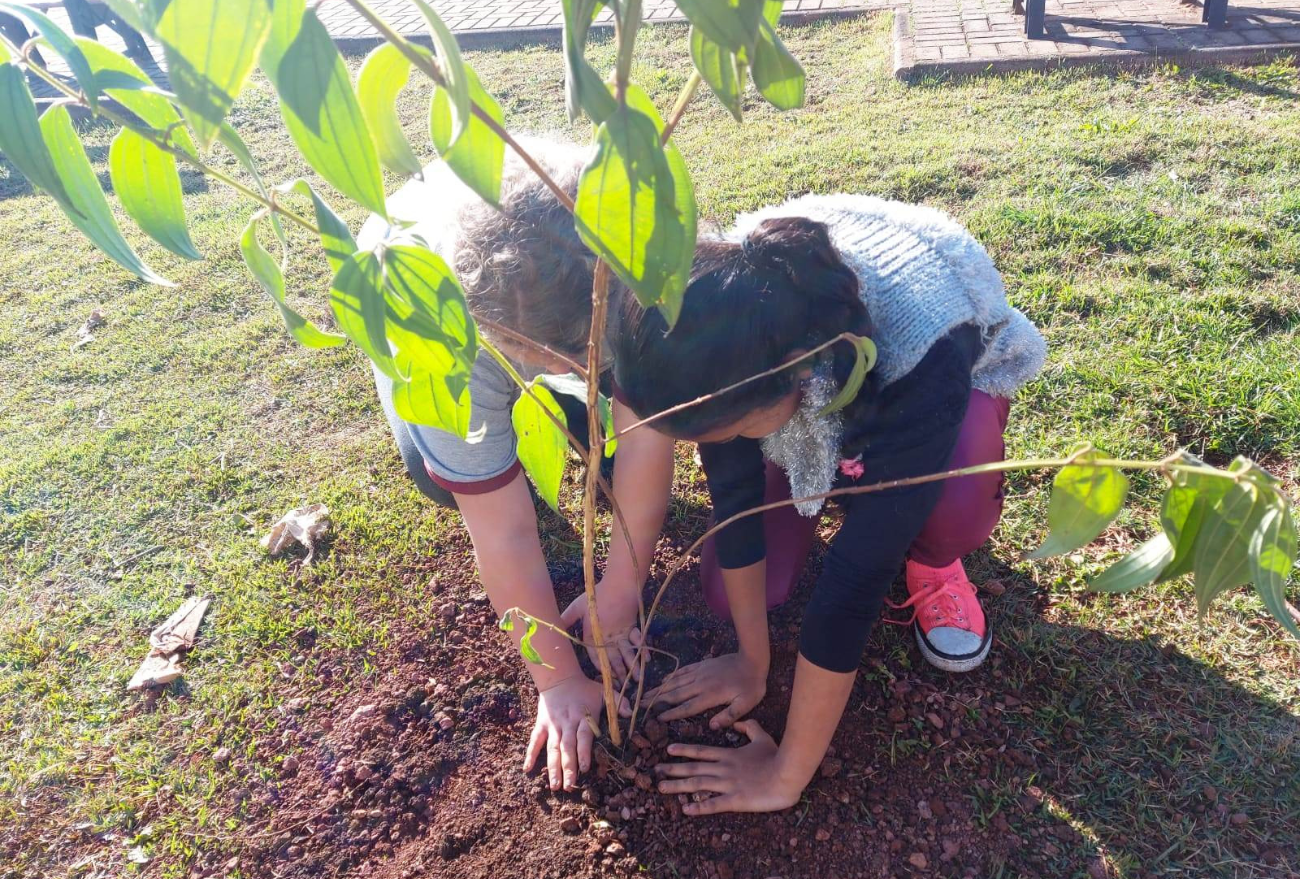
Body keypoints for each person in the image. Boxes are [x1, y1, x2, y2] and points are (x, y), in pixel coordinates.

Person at [612, 194, 1046, 815]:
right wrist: (751, 660)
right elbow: (734, 500)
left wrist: (785, 775)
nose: (722, 447)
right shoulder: (715, 345)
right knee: (735, 584)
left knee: (949, 503)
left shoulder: (920, 345)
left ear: (792, 375)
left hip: (945, 361)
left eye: (734, 431)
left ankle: (934, 561)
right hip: (809, 368)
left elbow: (853, 582)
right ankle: (834, 467)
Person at [359, 139, 675, 793]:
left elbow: (650, 435)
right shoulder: (438, 344)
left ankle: (586, 412)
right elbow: (500, 531)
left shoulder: (643, 257)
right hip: (422, 280)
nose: (575, 370)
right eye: (562, 363)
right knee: (439, 473)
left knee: (612, 414)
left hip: (561, 282)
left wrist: (619, 594)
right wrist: (559, 679)